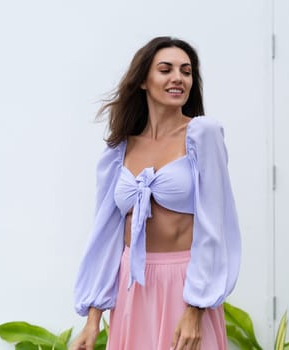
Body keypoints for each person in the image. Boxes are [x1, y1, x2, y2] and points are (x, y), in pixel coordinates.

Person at [70, 37, 241, 350]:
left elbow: (216, 224)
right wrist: (93, 318)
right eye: (166, 69)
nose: (178, 77)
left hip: (184, 285)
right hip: (132, 286)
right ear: (143, 82)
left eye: (186, 71)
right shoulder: (120, 148)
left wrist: (196, 307)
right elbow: (106, 235)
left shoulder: (203, 135)